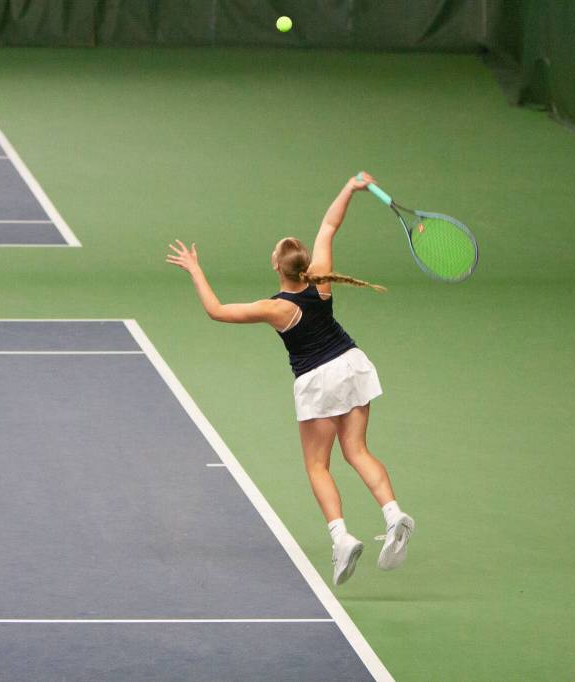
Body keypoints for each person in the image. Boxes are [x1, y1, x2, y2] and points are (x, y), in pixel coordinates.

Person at [165, 172, 414, 586]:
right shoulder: (321, 281)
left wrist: (194, 268)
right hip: (352, 364)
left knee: (318, 465)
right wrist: (351, 187)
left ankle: (341, 538)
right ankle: (393, 513)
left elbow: (216, 310)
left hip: (318, 380)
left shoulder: (275, 308)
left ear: (277, 267)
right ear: (302, 266)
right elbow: (329, 225)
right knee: (357, 451)